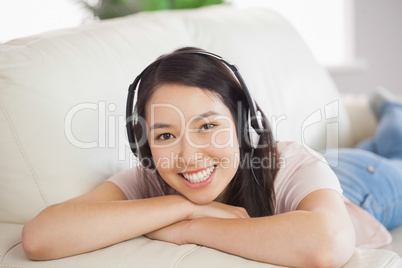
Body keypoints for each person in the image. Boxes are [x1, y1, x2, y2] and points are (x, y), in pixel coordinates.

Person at [21, 47, 400, 267]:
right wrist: (179, 207)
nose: (188, 156)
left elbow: (327, 243)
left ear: (242, 124)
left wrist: (190, 226)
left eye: (207, 126)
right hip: (328, 170)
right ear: (145, 145)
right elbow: (41, 238)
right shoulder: (148, 178)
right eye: (165, 135)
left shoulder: (289, 163)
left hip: (362, 184)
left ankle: (390, 110)